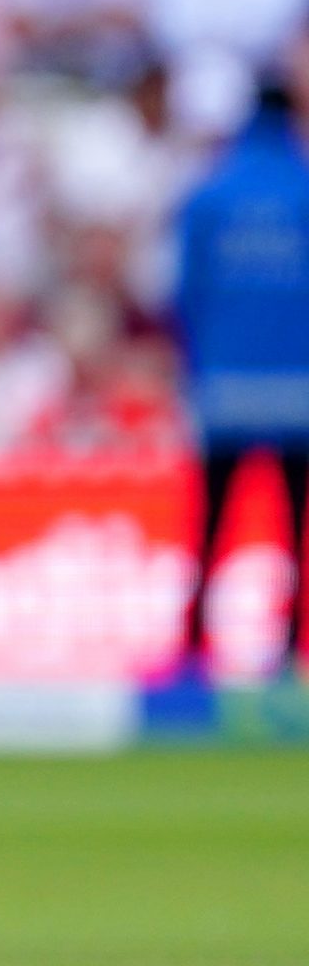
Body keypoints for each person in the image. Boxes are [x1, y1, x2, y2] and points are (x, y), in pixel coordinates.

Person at [175, 64, 309, 677]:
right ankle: (288, 647)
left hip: (224, 387)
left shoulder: (208, 196)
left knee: (209, 520)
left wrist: (200, 368)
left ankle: (193, 644)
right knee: (295, 527)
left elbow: (186, 297)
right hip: (298, 389)